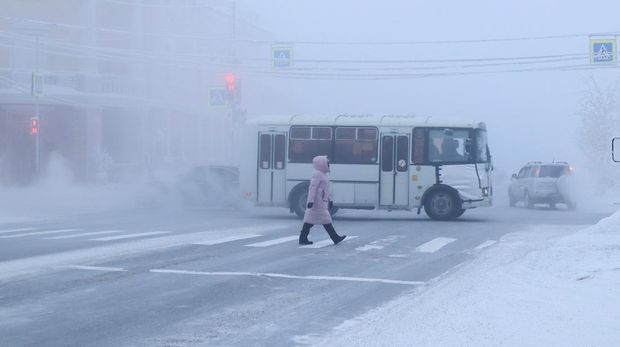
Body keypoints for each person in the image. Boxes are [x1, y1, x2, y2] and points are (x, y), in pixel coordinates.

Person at [299, 155, 346, 245]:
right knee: (325, 220)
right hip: (317, 202)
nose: (328, 165)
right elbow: (313, 188)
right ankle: (335, 238)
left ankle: (303, 238)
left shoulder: (323, 174)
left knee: (310, 221)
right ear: (322, 164)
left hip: (320, 201)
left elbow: (326, 189)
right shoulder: (317, 174)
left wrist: (330, 199)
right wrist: (311, 201)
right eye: (327, 163)